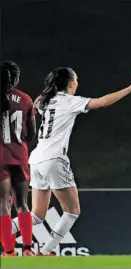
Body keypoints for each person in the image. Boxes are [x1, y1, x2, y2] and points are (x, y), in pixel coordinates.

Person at [11, 67, 131, 256]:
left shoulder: (44, 101)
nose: (77, 84)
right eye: (76, 80)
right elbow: (102, 102)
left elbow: (38, 104)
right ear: (71, 83)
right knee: (72, 210)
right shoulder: (68, 101)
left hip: (36, 160)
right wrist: (130, 89)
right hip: (54, 159)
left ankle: (7, 235)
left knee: (36, 215)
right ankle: (45, 251)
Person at [0, 61, 36, 256]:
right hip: (19, 155)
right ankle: (28, 248)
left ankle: (9, 251)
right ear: (16, 79)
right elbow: (31, 132)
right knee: (22, 204)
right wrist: (20, 144)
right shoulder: (25, 99)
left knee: (3, 206)